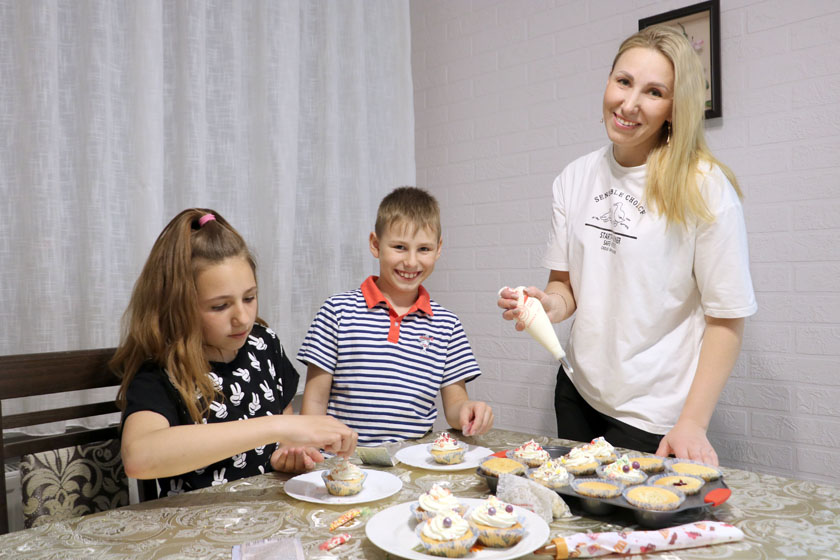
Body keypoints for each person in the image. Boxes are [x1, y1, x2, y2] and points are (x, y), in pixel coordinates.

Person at [498, 26, 756, 466]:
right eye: (623, 81)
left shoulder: (704, 187)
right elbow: (566, 286)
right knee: (580, 528)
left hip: (653, 415)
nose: (629, 103)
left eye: (654, 92)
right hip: (577, 392)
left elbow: (726, 318)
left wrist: (692, 422)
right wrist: (547, 305)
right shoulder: (573, 178)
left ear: (675, 108)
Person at [113, 208, 357, 497]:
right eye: (220, 306)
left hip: (266, 514)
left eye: (249, 298)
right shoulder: (163, 367)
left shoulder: (264, 344)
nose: (242, 317)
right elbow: (139, 457)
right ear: (178, 306)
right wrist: (278, 426)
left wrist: (288, 454)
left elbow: (283, 433)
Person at [298, 187, 494, 445]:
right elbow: (314, 402)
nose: (411, 262)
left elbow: (455, 406)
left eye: (423, 249)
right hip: (343, 464)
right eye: (400, 247)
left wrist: (470, 411)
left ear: (438, 249)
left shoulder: (448, 325)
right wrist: (306, 450)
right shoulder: (336, 312)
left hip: (413, 464)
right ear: (375, 245)